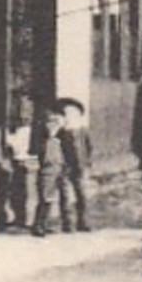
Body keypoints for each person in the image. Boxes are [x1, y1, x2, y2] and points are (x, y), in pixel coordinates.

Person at [0, 97, 34, 233]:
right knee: (0, 194)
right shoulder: (1, 128)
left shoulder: (26, 129)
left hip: (19, 162)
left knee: (19, 192)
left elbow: (26, 148)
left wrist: (26, 163)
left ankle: (20, 219)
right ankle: (1, 220)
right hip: (3, 162)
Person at [31, 108, 69, 237]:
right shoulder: (42, 137)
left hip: (61, 167)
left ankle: (63, 223)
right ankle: (39, 225)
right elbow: (36, 152)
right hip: (48, 169)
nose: (54, 124)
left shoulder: (63, 135)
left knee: (64, 195)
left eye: (56, 121)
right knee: (46, 197)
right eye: (51, 121)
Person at [57, 98, 93, 232]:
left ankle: (83, 222)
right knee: (65, 196)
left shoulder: (83, 131)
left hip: (80, 167)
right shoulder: (61, 132)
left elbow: (88, 148)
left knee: (82, 195)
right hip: (65, 167)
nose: (70, 117)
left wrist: (87, 163)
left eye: (73, 114)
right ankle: (67, 223)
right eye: (67, 114)